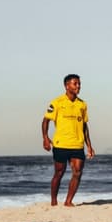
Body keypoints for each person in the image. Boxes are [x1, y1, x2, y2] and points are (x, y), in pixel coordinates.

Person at [41, 74, 94, 206]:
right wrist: (45, 138)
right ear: (67, 86)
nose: (78, 86)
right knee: (59, 173)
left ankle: (68, 201)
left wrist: (89, 145)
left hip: (77, 145)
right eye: (75, 84)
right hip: (61, 144)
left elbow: (84, 125)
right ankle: (53, 201)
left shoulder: (82, 104)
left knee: (77, 172)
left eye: (79, 84)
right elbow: (45, 120)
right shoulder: (56, 102)